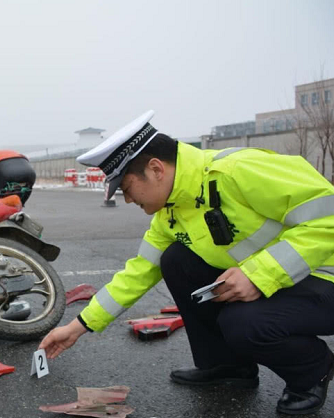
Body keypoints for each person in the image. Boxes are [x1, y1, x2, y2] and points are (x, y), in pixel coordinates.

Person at [39, 110, 334, 415]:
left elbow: (329, 218)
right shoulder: (171, 212)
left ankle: (312, 370)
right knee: (177, 260)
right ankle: (227, 365)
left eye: (126, 188)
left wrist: (259, 275)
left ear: (155, 169)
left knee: (242, 323)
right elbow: (138, 273)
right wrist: (77, 326)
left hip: (326, 278)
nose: (126, 199)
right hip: (287, 281)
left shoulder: (239, 169)